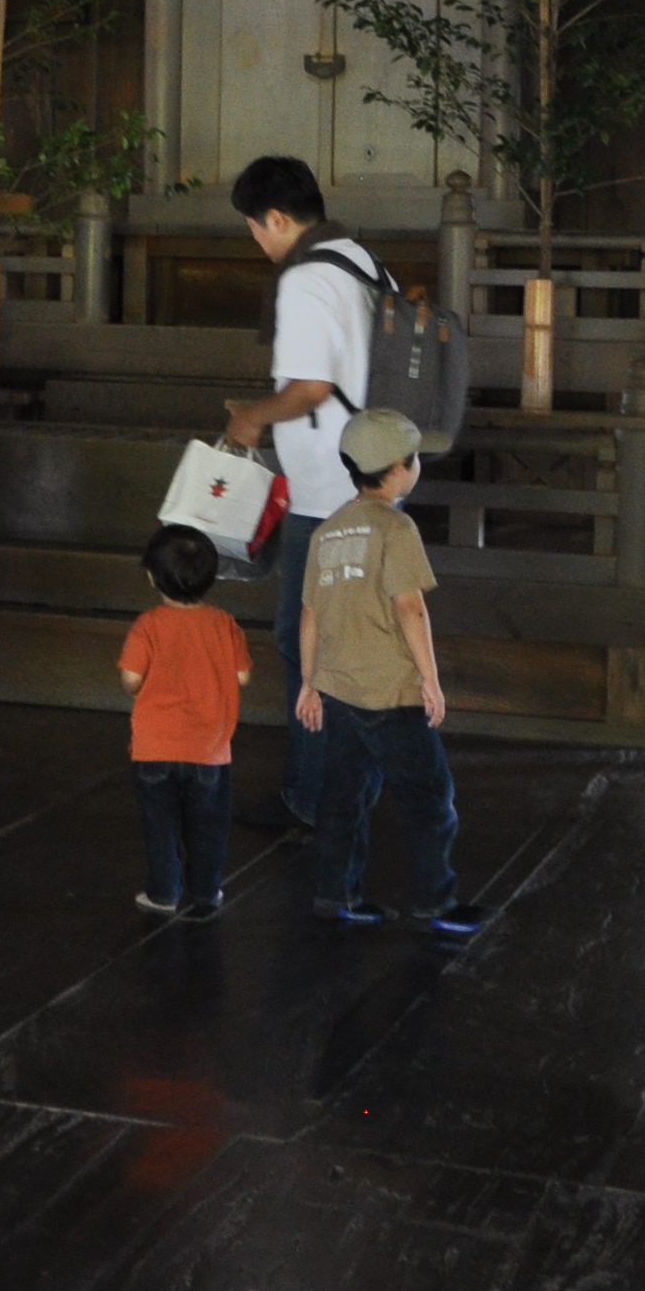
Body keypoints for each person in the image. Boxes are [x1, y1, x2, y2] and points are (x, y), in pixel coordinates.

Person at [219, 154, 380, 827]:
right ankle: (351, 787)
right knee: (347, 642)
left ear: (278, 218)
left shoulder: (307, 278)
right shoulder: (359, 259)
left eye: (255, 226)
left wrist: (251, 417)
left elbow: (311, 388)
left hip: (325, 492)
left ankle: (318, 795)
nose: (256, 240)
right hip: (366, 474)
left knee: (306, 642)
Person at [293, 406, 486, 934]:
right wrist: (430, 680)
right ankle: (435, 902)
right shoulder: (397, 528)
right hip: (391, 693)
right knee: (429, 797)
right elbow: (410, 608)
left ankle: (336, 894)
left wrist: (309, 683)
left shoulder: (327, 532)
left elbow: (309, 615)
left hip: (339, 692)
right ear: (400, 467)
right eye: (415, 457)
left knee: (343, 799)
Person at [118, 524, 250, 917]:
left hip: (154, 748)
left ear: (151, 577)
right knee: (208, 826)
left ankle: (163, 893)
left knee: (159, 825)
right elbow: (242, 676)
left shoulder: (147, 625)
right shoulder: (224, 624)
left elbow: (131, 678)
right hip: (209, 750)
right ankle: (206, 891)